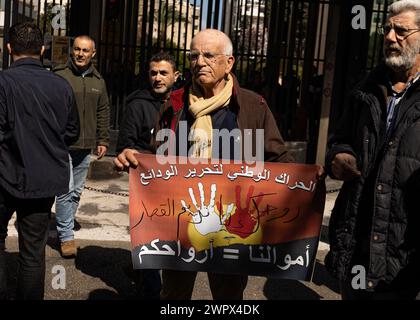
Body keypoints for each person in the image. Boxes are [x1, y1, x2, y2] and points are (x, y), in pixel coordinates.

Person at [114, 29, 293, 300]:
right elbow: (157, 158)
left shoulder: (253, 106)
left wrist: (305, 181)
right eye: (194, 55)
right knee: (174, 293)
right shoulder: (175, 104)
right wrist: (134, 156)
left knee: (229, 296)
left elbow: (277, 157)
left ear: (229, 63)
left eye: (208, 55)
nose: (199, 62)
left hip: (232, 224)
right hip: (181, 219)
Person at [325, 0, 420, 300]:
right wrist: (337, 157)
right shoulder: (366, 88)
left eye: (402, 31)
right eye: (387, 30)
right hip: (358, 244)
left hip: (406, 254)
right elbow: (338, 139)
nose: (391, 38)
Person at [0, 22, 79, 300]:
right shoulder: (62, 85)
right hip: (44, 181)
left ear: (9, 49)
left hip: (4, 176)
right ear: (42, 50)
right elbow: (72, 132)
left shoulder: (3, 83)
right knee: (33, 252)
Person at [116, 52, 179, 299]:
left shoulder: (184, 104)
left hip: (177, 183)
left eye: (163, 73)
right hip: (147, 185)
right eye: (153, 73)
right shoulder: (136, 104)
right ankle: (152, 288)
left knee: (172, 238)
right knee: (150, 237)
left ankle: (139, 268)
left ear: (176, 75)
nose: (158, 78)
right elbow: (126, 144)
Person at [54, 35, 110, 258]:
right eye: (77, 49)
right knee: (65, 192)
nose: (80, 54)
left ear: (93, 54)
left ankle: (64, 224)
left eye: (85, 50)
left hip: (85, 146)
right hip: (63, 144)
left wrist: (103, 139)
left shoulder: (99, 81)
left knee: (76, 192)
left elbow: (103, 111)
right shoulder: (60, 75)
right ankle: (66, 236)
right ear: (72, 50)